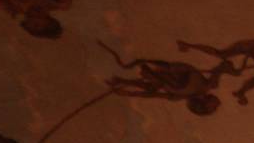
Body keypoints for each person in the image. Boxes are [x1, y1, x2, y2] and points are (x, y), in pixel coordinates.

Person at [99, 40, 234, 115]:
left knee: (153, 87)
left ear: (203, 104)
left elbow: (152, 95)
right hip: (173, 69)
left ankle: (122, 80)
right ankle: (131, 71)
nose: (216, 107)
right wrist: (228, 67)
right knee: (162, 82)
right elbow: (221, 67)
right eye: (214, 108)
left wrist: (128, 93)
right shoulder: (209, 84)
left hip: (161, 77)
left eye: (212, 109)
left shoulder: (179, 96)